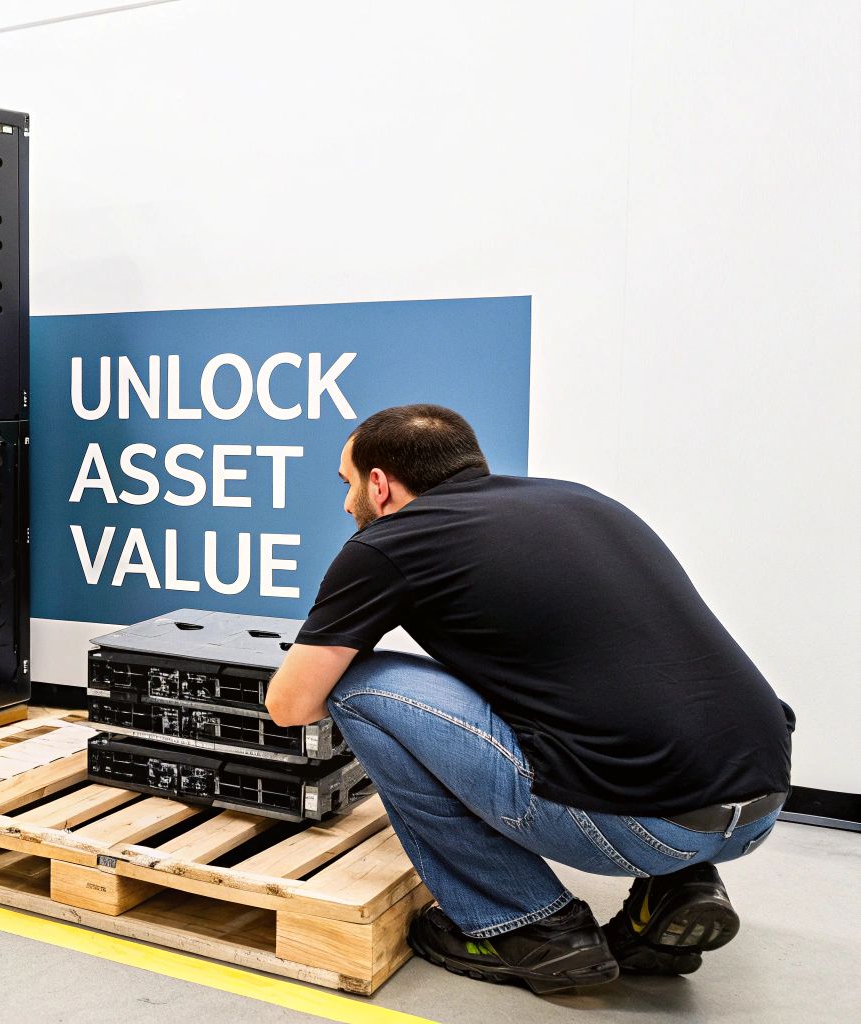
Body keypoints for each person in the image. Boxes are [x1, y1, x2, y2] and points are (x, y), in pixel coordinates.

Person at [264, 404, 792, 995]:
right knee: (588, 696)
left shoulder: (390, 542)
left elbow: (291, 705)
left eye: (348, 484)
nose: (346, 503)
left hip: (643, 825)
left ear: (380, 484)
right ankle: (676, 888)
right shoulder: (578, 500)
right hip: (762, 802)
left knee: (356, 685)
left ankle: (525, 925)